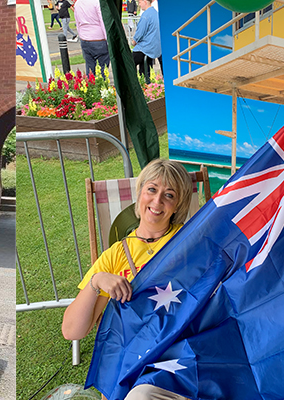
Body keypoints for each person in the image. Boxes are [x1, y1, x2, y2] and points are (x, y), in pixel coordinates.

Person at [61, 160, 193, 399]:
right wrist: (97, 281)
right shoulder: (115, 256)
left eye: (169, 195)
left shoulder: (190, 241)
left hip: (181, 359)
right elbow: (72, 331)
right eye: (152, 189)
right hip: (133, 363)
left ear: (178, 205)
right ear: (140, 192)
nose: (157, 201)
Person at [74, 0, 112, 74]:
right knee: (102, 70)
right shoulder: (97, 2)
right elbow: (103, 22)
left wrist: (81, 36)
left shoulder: (78, 3)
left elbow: (77, 23)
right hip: (99, 39)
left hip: (85, 39)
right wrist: (108, 40)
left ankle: (91, 83)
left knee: (90, 69)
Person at [130, 0, 161, 81]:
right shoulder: (156, 13)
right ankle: (146, 84)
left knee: (128, 64)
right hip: (154, 48)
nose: (139, 5)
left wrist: (133, 42)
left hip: (144, 48)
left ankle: (132, 83)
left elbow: (139, 33)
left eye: (139, 3)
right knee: (145, 70)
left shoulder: (145, 16)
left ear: (145, 2)